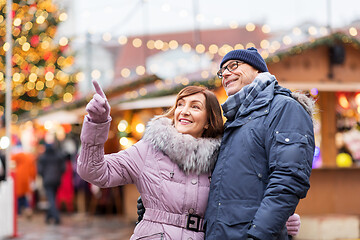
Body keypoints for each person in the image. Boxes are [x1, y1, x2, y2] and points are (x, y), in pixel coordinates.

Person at [77, 80, 301, 239]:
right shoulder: (148, 150)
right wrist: (97, 123)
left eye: (195, 107)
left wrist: (281, 220)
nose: (184, 111)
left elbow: (244, 198)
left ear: (208, 121)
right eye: (180, 104)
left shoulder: (222, 160)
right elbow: (94, 171)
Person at [204, 47, 315, 239]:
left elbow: (288, 180)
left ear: (258, 70)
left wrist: (259, 234)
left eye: (233, 65)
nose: (226, 74)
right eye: (222, 71)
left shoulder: (284, 108)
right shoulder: (234, 120)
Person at [37, 141, 66, 224]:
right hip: (57, 181)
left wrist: (44, 176)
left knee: (51, 199)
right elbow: (63, 168)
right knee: (53, 198)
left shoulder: (43, 158)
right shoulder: (59, 156)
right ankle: (48, 217)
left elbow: (40, 170)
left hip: (47, 181)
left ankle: (56, 217)